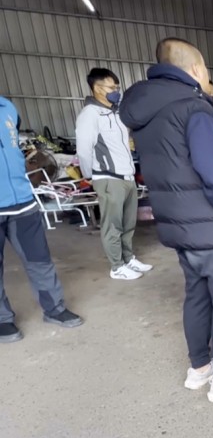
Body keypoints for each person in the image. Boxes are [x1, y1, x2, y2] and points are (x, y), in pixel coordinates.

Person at [119, 38, 213, 403]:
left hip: (183, 228)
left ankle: (200, 369)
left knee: (198, 299)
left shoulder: (149, 111)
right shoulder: (193, 108)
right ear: (197, 69)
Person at [0, 96, 84, 343]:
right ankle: (2, 319)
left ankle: (54, 309)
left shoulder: (7, 107)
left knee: (39, 260)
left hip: (23, 202)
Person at [75, 67, 152, 280]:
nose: (116, 91)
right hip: (108, 177)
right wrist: (90, 176)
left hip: (126, 176)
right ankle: (117, 266)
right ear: (97, 88)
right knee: (113, 225)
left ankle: (128, 258)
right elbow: (84, 148)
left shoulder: (117, 112)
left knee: (128, 223)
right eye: (112, 87)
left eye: (117, 87)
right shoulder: (90, 114)